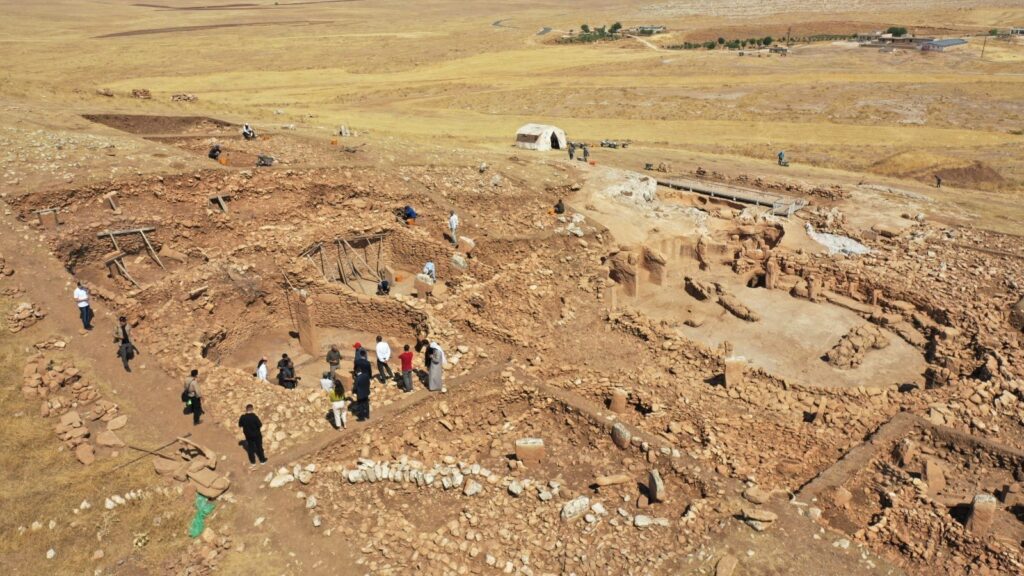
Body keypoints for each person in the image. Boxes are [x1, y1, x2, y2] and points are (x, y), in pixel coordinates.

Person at [353, 349, 372, 421]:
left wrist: (354, 391)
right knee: (366, 402)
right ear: (365, 355)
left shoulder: (357, 362)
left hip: (360, 392)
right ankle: (367, 415)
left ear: (360, 354)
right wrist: (370, 377)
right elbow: (370, 371)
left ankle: (361, 417)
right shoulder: (367, 363)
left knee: (360, 404)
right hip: (366, 385)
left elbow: (355, 368)